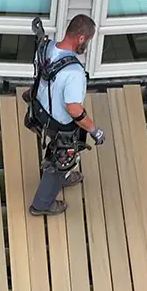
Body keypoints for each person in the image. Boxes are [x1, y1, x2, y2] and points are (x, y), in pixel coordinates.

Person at [28, 14, 106, 217]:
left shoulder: (47, 48)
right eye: (88, 41)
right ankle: (42, 204)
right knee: (60, 161)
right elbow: (73, 109)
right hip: (60, 122)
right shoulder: (74, 73)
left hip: (41, 111)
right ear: (81, 38)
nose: (87, 45)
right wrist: (94, 130)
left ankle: (63, 176)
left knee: (58, 150)